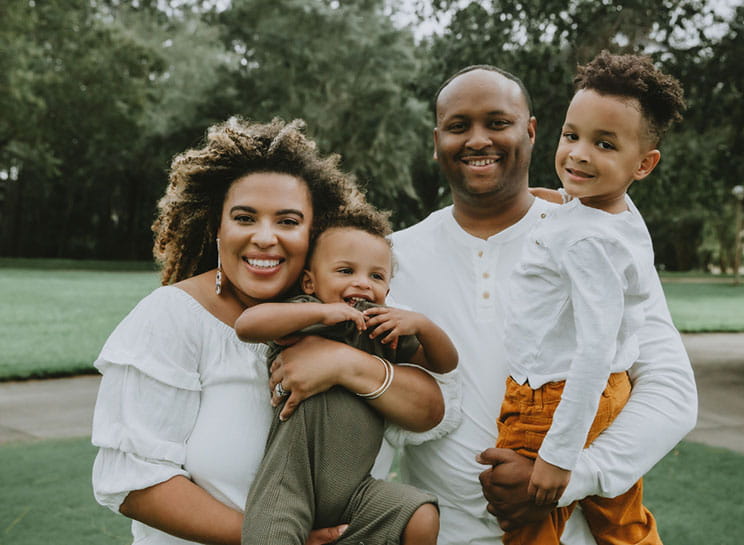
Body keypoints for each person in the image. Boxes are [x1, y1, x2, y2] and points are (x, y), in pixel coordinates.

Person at [367, 64, 697, 545]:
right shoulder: (390, 259)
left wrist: (570, 476)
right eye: (459, 127)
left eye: (498, 123)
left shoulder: (595, 235)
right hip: (439, 533)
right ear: (436, 139)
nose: (478, 140)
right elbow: (370, 404)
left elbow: (672, 395)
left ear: (532, 131)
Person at [91, 117, 447, 545]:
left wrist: (343, 363)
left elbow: (430, 407)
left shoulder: (349, 306)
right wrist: (279, 537)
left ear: (313, 234)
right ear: (216, 228)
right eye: (244, 218)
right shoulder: (171, 317)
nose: (265, 237)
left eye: (287, 221)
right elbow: (135, 483)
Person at [497, 51, 686, 545]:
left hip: (552, 397)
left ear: (643, 164)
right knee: (624, 522)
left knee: (529, 528)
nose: (578, 154)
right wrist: (559, 198)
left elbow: (596, 346)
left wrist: (560, 457)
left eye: (604, 144)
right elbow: (591, 209)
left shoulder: (583, 241)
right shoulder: (614, 213)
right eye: (571, 135)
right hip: (612, 396)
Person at [235, 206, 458, 545]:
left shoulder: (381, 328)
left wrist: (423, 326)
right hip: (288, 484)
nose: (362, 283)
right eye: (345, 270)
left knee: (421, 515)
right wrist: (321, 311)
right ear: (311, 280)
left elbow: (445, 363)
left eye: (377, 276)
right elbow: (247, 325)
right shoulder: (304, 312)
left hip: (356, 489)